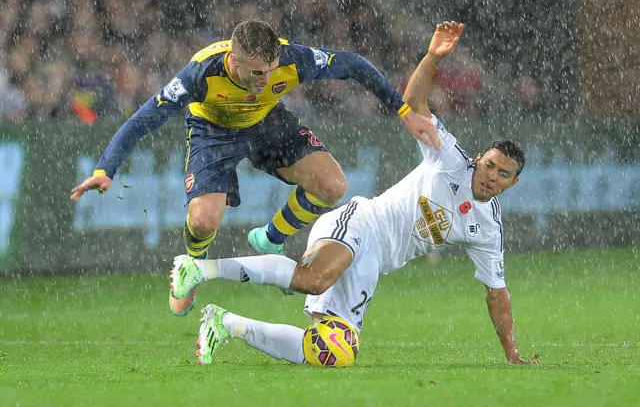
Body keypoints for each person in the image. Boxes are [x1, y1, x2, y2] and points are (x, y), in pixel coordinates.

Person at [170, 21, 540, 366]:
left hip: (374, 263)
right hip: (361, 221)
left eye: (502, 173)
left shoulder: (487, 228)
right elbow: (416, 100)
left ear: (513, 183)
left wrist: (512, 354)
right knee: (314, 279)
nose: (491, 176)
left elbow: (498, 293)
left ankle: (225, 323)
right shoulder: (450, 158)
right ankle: (199, 268)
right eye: (489, 165)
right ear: (479, 159)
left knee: (332, 351)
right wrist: (433, 58)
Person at [69, 19, 439, 316]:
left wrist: (403, 110)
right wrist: (106, 168)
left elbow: (354, 65)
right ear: (233, 59)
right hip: (213, 133)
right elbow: (144, 119)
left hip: (268, 125)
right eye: (257, 73)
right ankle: (192, 267)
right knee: (202, 223)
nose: (266, 80)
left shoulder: (293, 59)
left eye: (271, 71)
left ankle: (270, 238)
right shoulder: (199, 74)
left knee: (333, 185)